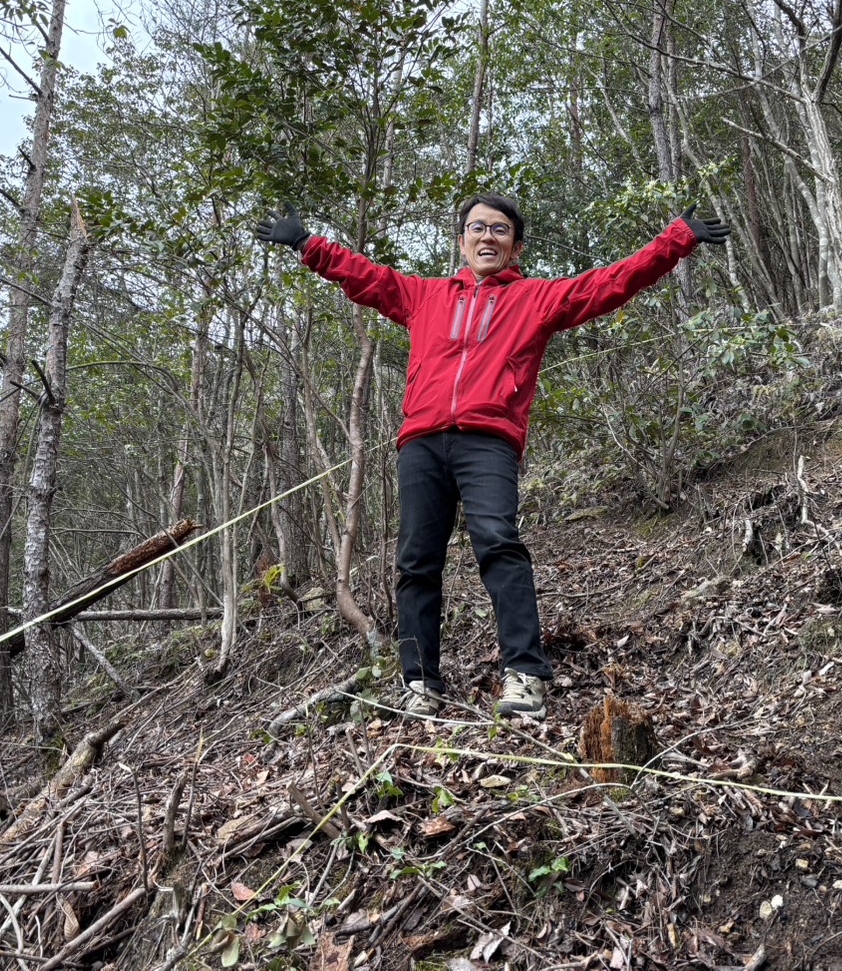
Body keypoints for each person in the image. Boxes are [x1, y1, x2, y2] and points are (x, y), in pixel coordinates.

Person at [256, 194, 729, 719]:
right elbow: (365, 276)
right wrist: (306, 242)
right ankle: (420, 683)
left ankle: (525, 675)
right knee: (415, 563)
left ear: (515, 246)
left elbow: (612, 282)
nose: (487, 237)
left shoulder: (536, 298)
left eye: (499, 230)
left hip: (489, 441)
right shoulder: (424, 295)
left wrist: (676, 240)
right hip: (420, 442)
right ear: (461, 241)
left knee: (499, 544)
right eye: (477, 228)